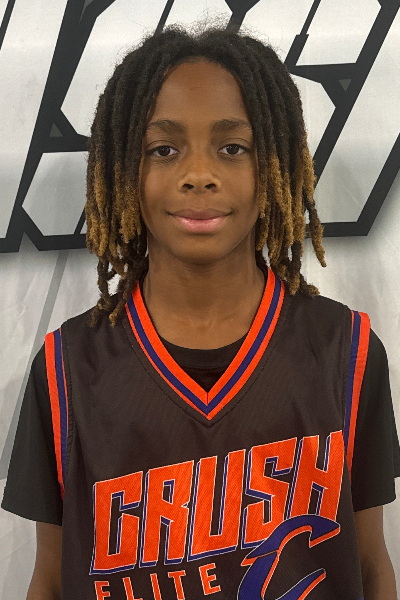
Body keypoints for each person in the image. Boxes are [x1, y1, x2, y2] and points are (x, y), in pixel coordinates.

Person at [2, 23, 400, 600]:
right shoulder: (67, 368)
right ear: (122, 171)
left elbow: (370, 565)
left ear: (276, 165)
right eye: (163, 150)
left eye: (232, 148)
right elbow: (50, 579)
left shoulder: (347, 351)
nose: (198, 175)